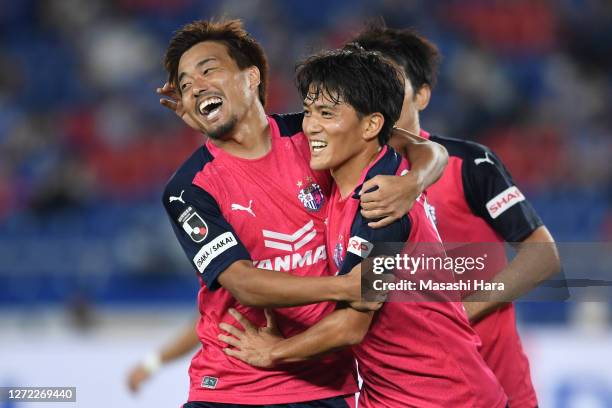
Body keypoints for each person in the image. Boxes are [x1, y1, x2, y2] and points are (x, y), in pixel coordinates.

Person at [158, 19, 448, 407]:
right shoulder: (189, 188)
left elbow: (427, 149)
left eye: (208, 70)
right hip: (233, 384)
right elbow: (242, 282)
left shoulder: (314, 135)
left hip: (325, 384)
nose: (195, 86)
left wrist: (413, 183)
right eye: (186, 83)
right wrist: (345, 287)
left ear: (250, 78)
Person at [218, 48, 508, 408]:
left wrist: (274, 352)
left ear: (371, 125)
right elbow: (426, 148)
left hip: (448, 398)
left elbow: (351, 325)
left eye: (327, 114)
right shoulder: (348, 181)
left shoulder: (380, 204)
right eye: (309, 112)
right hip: (386, 396)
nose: (310, 126)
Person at [350, 24, 561, 407]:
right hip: (399, 390)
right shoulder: (346, 178)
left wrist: (462, 313)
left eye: (392, 82)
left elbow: (542, 255)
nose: (378, 95)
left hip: (495, 379)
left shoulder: (469, 163)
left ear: (423, 95)